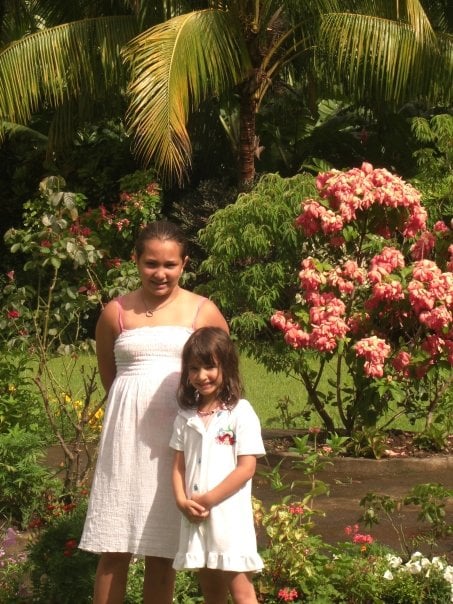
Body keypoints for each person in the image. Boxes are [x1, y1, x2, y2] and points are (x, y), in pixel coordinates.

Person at [79, 220, 229, 604]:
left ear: (184, 264)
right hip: (125, 441)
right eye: (150, 264)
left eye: (169, 265)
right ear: (136, 261)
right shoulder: (116, 313)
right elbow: (111, 378)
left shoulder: (203, 310)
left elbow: (222, 373)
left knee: (162, 549)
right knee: (115, 546)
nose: (159, 273)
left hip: (177, 444)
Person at [170, 327, 265, 604]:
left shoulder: (240, 413)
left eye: (210, 366)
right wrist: (181, 501)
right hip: (196, 518)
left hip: (229, 519)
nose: (201, 376)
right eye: (194, 368)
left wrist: (209, 499)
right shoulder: (185, 417)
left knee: (242, 592)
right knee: (211, 592)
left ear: (227, 366)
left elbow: (246, 468)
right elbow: (178, 467)